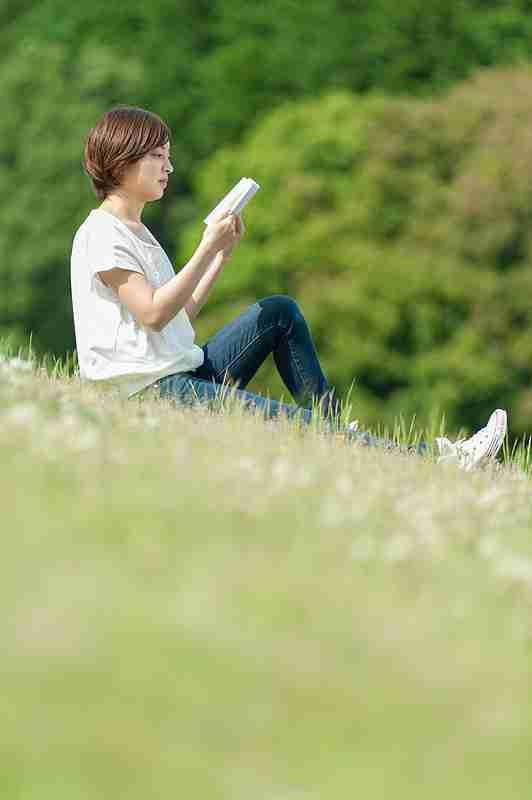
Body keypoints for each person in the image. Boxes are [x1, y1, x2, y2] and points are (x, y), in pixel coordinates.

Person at [70, 105, 507, 471]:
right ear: (122, 161)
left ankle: (334, 426)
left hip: (179, 373)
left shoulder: (139, 233)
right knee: (298, 425)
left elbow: (176, 319)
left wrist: (220, 258)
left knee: (278, 312)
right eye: (157, 157)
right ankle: (437, 461)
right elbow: (152, 313)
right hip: (149, 391)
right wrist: (206, 247)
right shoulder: (103, 233)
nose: (168, 167)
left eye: (168, 156)